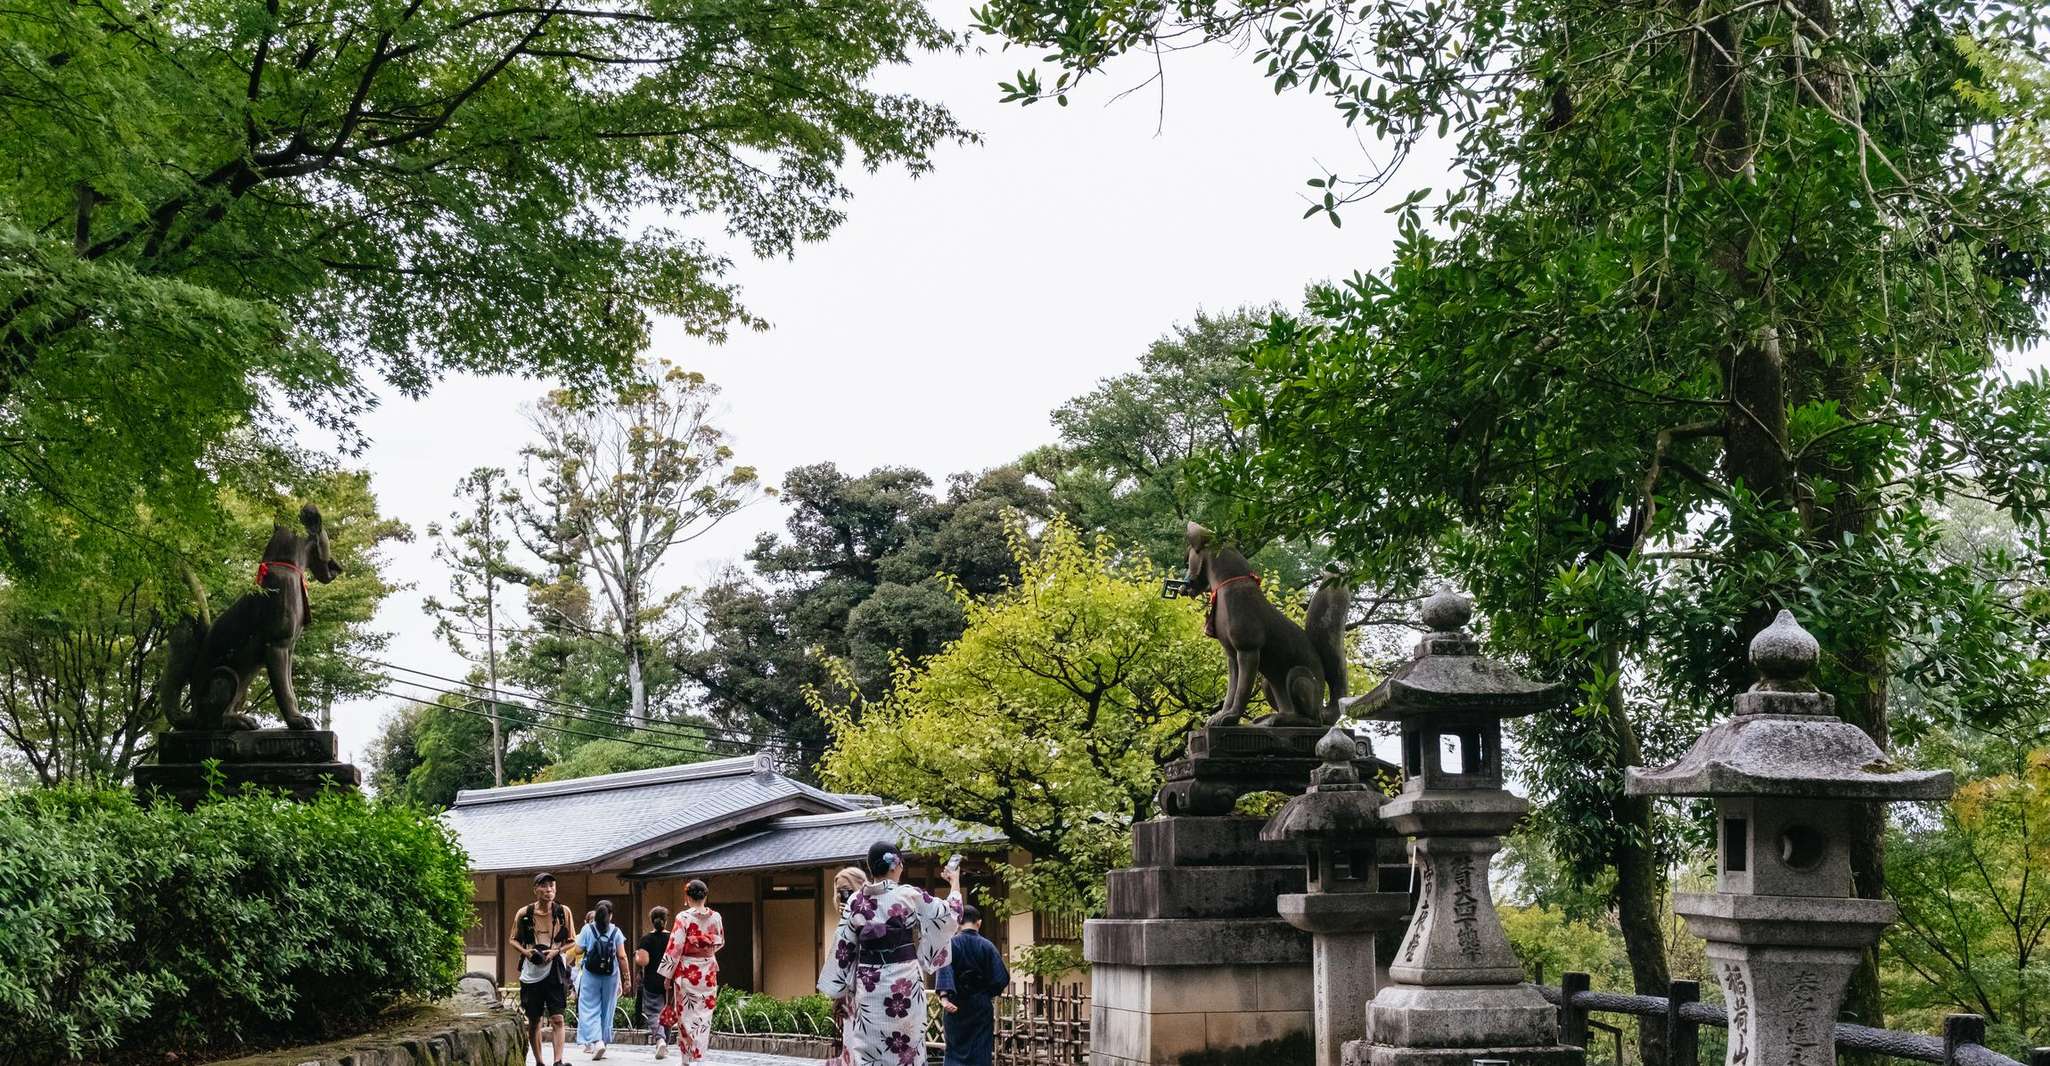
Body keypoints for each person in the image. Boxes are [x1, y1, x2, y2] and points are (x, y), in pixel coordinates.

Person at [817, 843, 963, 1066]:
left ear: (871, 868)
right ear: (897, 865)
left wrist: (839, 987)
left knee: (868, 1048)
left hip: (869, 985)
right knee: (908, 1048)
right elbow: (949, 914)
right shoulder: (909, 895)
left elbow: (844, 948)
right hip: (905, 982)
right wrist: (954, 883)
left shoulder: (855, 901)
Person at [510, 872, 577, 1066]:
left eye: (552, 887)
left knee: (558, 1018)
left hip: (555, 969)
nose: (549, 890)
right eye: (544, 886)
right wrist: (527, 951)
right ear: (535, 890)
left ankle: (558, 1061)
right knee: (534, 1020)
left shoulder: (563, 911)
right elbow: (512, 939)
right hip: (531, 971)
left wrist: (555, 951)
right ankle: (539, 1062)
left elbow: (571, 941)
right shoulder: (524, 913)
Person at [659, 879, 725, 1063]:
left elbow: (675, 947)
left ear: (687, 896)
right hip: (708, 972)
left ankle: (688, 1057)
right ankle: (699, 1056)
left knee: (686, 1016)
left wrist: (667, 975)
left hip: (688, 972)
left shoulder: (683, 918)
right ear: (705, 895)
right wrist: (705, 952)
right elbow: (720, 942)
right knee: (704, 1017)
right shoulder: (716, 917)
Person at [935, 906, 1010, 1066]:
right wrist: (986, 993)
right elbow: (1001, 979)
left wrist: (944, 997)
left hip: (955, 1004)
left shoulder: (950, 944)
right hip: (980, 1005)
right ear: (979, 923)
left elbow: (944, 969)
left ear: (958, 922)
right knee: (980, 1052)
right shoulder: (987, 946)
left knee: (954, 1051)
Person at [574, 900, 630, 1059]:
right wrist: (627, 979)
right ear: (610, 915)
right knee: (607, 1008)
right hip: (610, 975)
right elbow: (622, 956)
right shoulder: (616, 931)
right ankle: (603, 1042)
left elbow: (578, 950)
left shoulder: (587, 929)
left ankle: (596, 1041)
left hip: (590, 975)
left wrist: (586, 945)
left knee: (588, 1007)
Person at [825, 867, 869, 1066]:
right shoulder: (845, 916)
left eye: (847, 890)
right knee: (851, 1039)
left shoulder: (870, 909)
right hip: (850, 985)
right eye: (840, 891)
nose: (844, 895)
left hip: (870, 981)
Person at [635, 906, 675, 1059]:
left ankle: (660, 1039)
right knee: (667, 1011)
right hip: (669, 980)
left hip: (652, 980)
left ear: (652, 921)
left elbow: (644, 961)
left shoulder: (646, 939)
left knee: (653, 1012)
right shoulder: (672, 938)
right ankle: (666, 1040)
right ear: (666, 920)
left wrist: (637, 956)